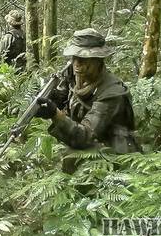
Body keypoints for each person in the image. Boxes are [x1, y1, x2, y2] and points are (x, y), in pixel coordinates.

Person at [32, 28, 138, 170]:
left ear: (98, 60)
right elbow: (64, 97)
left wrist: (55, 114)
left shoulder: (113, 92)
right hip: (86, 139)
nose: (77, 63)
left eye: (84, 58)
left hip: (113, 151)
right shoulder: (74, 75)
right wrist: (51, 101)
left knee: (73, 158)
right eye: (74, 57)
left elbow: (86, 136)